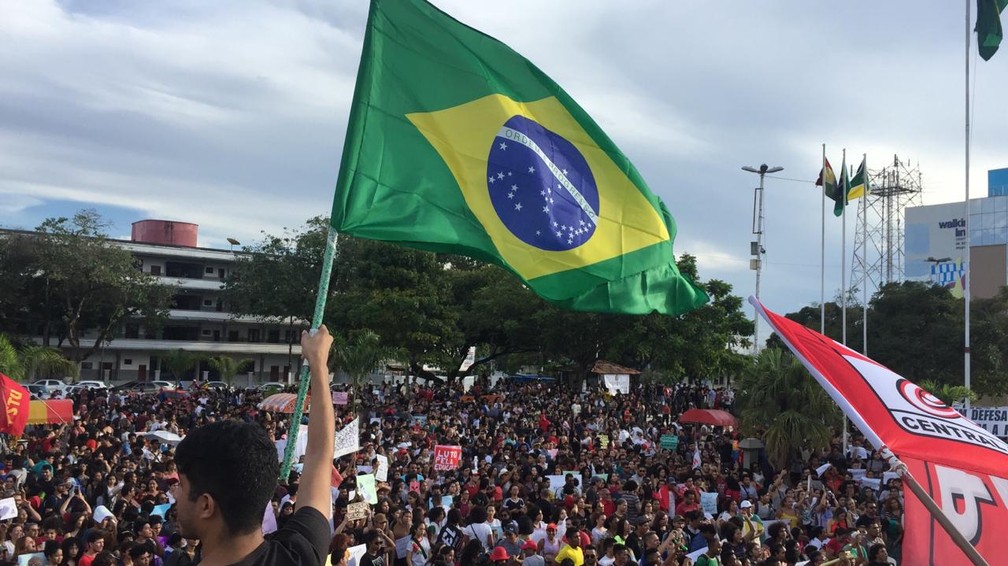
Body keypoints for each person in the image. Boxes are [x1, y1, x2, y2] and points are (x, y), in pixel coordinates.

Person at [172, 325, 335, 566]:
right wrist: (319, 364)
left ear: (206, 505)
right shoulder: (300, 556)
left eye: (182, 486)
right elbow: (319, 455)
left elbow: (319, 454)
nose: (175, 495)